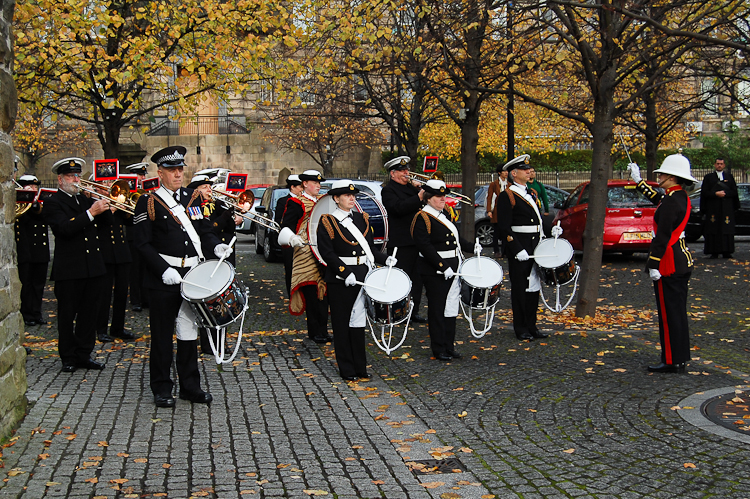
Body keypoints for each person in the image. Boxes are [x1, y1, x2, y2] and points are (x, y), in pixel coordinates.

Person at [133, 146, 230, 408]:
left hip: (194, 275)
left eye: (180, 169)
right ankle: (162, 387)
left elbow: (205, 230)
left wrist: (215, 246)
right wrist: (163, 270)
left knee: (189, 331)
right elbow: (142, 244)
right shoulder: (148, 201)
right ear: (160, 172)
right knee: (163, 335)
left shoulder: (192, 198)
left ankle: (190, 386)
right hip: (163, 277)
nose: (177, 174)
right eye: (172, 170)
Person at [316, 180, 394, 380]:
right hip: (341, 278)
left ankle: (360, 366)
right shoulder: (328, 221)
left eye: (353, 196)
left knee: (358, 324)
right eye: (346, 196)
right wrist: (344, 272)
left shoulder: (362, 219)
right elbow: (327, 253)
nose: (352, 198)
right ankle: (347, 369)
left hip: (363, 276)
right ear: (336, 198)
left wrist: (386, 259)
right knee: (342, 325)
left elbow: (371, 250)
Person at [628, 155, 695, 373]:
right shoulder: (678, 196)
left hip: (669, 262)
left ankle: (671, 360)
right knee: (677, 312)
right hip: (680, 259)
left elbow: (663, 236)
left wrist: (653, 263)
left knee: (669, 314)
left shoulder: (672, 201)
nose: (660, 177)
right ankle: (679, 357)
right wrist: (639, 182)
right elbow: (658, 199)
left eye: (663, 174)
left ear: (673, 177)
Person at [44, 158, 110, 372]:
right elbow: (64, 229)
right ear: (60, 179)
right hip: (70, 270)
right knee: (67, 315)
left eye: (78, 175)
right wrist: (92, 212)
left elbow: (105, 225)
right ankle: (68, 356)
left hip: (92, 267)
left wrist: (106, 202)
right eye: (72, 176)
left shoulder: (83, 200)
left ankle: (84, 353)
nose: (76, 180)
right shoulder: (53, 202)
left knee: (89, 314)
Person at [411, 179, 481, 361]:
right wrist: (442, 266)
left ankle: (449, 346)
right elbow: (424, 246)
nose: (442, 199)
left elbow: (456, 240)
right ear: (428, 198)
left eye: (444, 196)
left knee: (450, 307)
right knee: (437, 308)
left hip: (454, 266)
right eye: (438, 196)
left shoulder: (444, 215)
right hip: (435, 269)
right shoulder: (422, 217)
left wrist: (473, 247)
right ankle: (438, 348)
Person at [496, 154, 559, 341]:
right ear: (514, 173)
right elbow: (504, 227)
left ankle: (532, 325)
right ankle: (521, 327)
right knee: (520, 288)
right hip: (521, 249)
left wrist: (551, 229)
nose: (528, 171)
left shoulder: (531, 193)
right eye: (524, 170)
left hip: (535, 246)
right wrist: (516, 248)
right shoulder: (507, 196)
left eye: (528, 169)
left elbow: (537, 220)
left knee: (534, 287)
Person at [187, 173, 243, 355]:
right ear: (194, 191)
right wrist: (226, 215)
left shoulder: (218, 204)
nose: (209, 190)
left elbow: (230, 229)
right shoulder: (195, 208)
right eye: (204, 187)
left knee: (225, 300)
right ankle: (209, 342)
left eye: (210, 187)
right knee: (210, 301)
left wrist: (236, 217)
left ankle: (221, 340)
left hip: (225, 256)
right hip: (209, 257)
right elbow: (210, 228)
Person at [277, 169, 331, 343]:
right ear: (305, 184)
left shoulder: (325, 201)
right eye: (314, 183)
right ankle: (315, 331)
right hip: (306, 254)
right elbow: (286, 226)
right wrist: (293, 238)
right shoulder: (296, 202)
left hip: (324, 251)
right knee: (312, 294)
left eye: (319, 183)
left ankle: (323, 329)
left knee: (325, 293)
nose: (317, 185)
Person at [380, 156, 427, 323]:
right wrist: (418, 197)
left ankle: (413, 311)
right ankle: (398, 312)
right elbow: (398, 208)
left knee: (417, 279)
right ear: (393, 174)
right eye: (402, 171)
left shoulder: (412, 188)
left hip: (416, 240)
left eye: (407, 170)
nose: (406, 173)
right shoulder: (388, 190)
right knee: (401, 278)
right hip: (401, 242)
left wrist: (420, 190)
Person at [94, 180, 135, 343]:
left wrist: (125, 211)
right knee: (104, 294)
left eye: (110, 183)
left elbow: (131, 222)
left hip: (121, 253)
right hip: (104, 253)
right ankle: (101, 328)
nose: (108, 187)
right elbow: (102, 223)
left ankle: (118, 327)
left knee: (121, 293)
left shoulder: (117, 201)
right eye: (104, 184)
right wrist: (111, 208)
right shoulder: (94, 205)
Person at [15, 174, 50, 326]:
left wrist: (35, 203)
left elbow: (44, 217)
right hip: (27, 250)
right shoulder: (18, 204)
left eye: (36, 187)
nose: (34, 189)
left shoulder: (41, 203)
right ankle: (27, 313)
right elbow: (23, 220)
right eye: (30, 187)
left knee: (39, 284)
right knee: (27, 284)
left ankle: (37, 312)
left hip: (41, 251)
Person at [700, 158, 739, 259]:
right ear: (714, 165)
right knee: (713, 229)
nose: (719, 166)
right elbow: (704, 193)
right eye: (718, 164)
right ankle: (714, 252)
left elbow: (734, 192)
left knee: (726, 229)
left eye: (721, 164)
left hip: (727, 208)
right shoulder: (709, 178)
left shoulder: (729, 177)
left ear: (724, 165)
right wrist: (715, 194)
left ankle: (727, 251)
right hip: (713, 208)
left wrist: (725, 194)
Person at [125, 162, 150, 312]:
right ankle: (135, 299)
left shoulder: (147, 190)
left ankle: (145, 298)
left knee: (146, 268)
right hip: (132, 234)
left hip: (146, 233)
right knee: (135, 270)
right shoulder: (128, 191)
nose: (142, 177)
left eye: (143, 174)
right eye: (139, 175)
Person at [275, 174, 303, 298]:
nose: (302, 189)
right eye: (300, 187)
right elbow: (280, 222)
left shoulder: (304, 201)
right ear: (292, 187)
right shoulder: (283, 201)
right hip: (290, 240)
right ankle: (291, 294)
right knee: (290, 269)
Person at [486, 165, 509, 257]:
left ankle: (504, 251)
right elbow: (489, 197)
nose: (506, 173)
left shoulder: (509, 184)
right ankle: (496, 251)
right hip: (496, 210)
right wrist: (489, 210)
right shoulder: (494, 184)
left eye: (507, 171)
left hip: (506, 211)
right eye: (504, 171)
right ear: (499, 173)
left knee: (505, 232)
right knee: (496, 231)